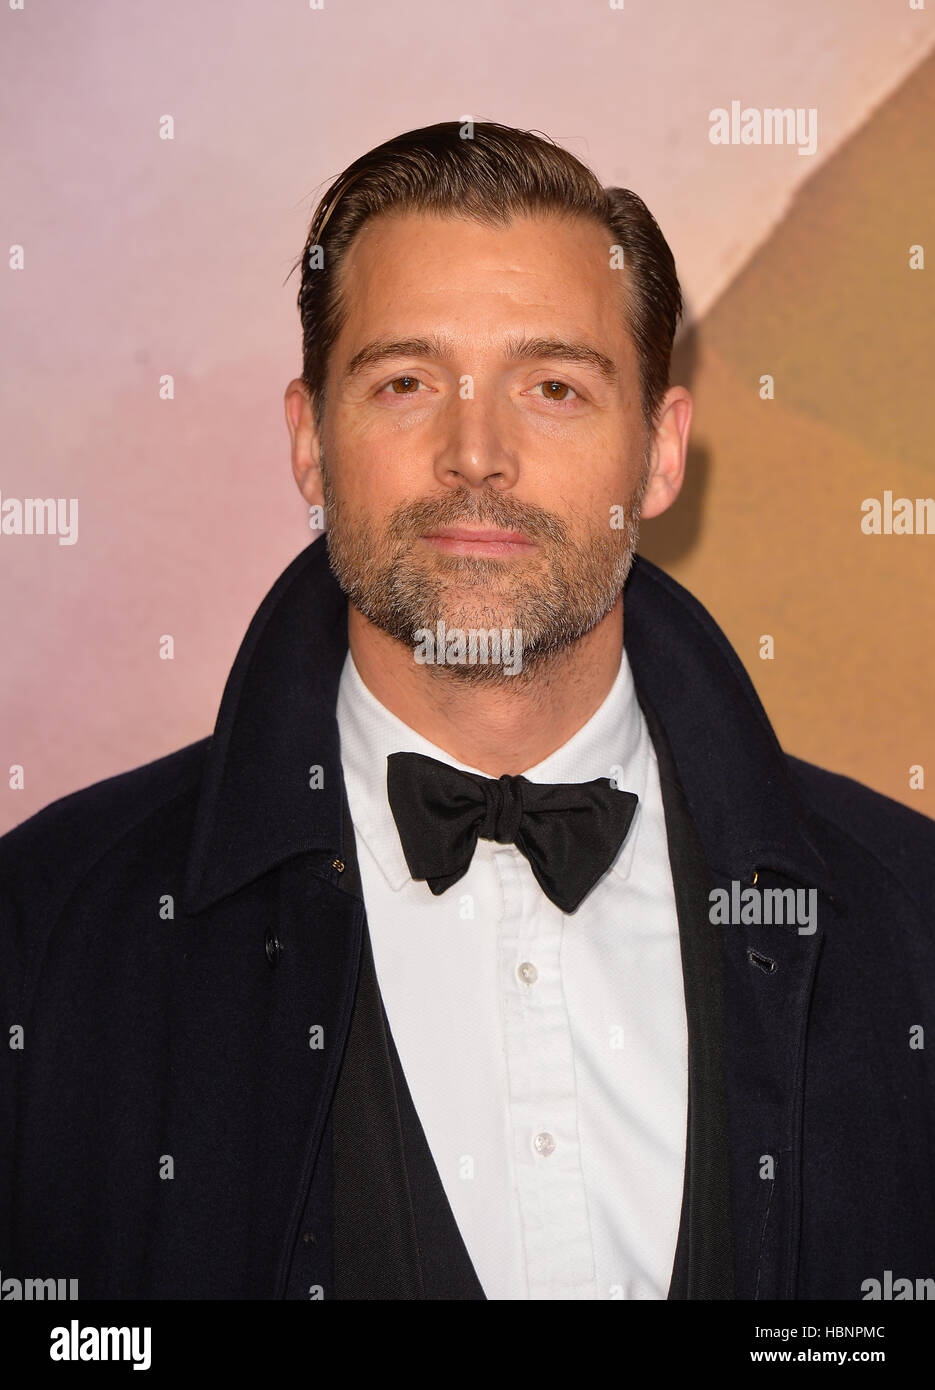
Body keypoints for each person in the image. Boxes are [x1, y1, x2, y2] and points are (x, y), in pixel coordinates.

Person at [1, 121, 933, 1303]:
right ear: (308, 442)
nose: (474, 452)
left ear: (658, 452)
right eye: (404, 382)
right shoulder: (45, 939)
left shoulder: (909, 923)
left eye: (550, 386)